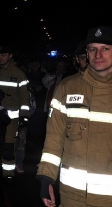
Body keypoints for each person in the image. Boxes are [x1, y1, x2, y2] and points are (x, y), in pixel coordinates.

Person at [36, 25, 112, 206]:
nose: (98, 55)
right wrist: (46, 177)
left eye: (105, 49)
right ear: (86, 53)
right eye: (93, 49)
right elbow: (54, 138)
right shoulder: (67, 88)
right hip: (72, 196)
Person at [0, 45, 30, 180]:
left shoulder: (18, 74)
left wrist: (24, 116)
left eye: (3, 55)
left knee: (8, 145)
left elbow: (25, 97)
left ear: (10, 56)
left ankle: (8, 172)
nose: (0, 58)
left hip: (11, 119)